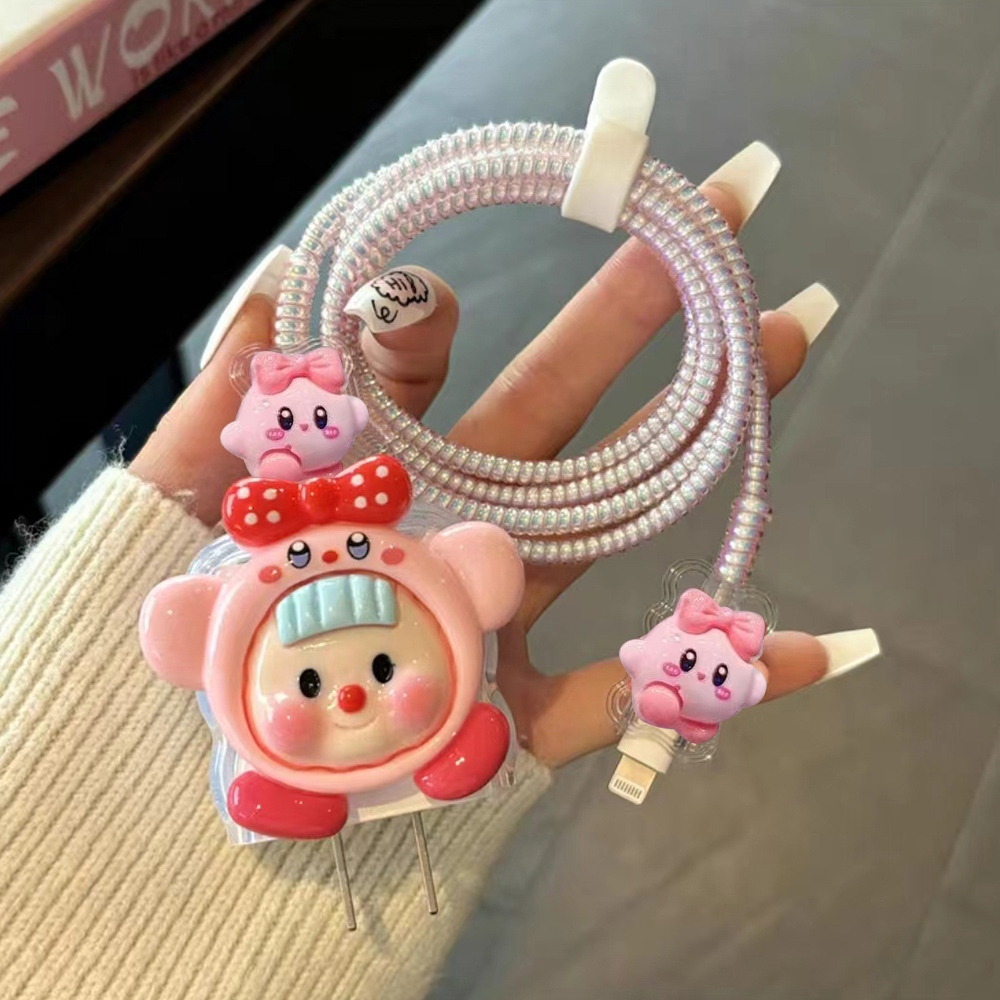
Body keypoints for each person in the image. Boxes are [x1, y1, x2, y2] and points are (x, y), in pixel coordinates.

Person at [0, 152, 838, 999]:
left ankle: (440, 754)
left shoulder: (436, 581)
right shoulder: (246, 618)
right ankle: (308, 789)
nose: (350, 696)